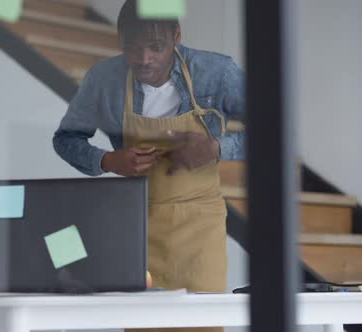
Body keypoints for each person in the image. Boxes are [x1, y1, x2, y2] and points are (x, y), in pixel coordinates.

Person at [54, 1, 244, 330]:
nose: (144, 59)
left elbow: (276, 128)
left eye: (156, 47)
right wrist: (108, 160)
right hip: (137, 224)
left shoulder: (217, 72)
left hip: (200, 228)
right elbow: (66, 138)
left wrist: (216, 147)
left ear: (176, 36)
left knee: (201, 324)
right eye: (132, 48)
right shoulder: (104, 79)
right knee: (142, 322)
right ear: (120, 41)